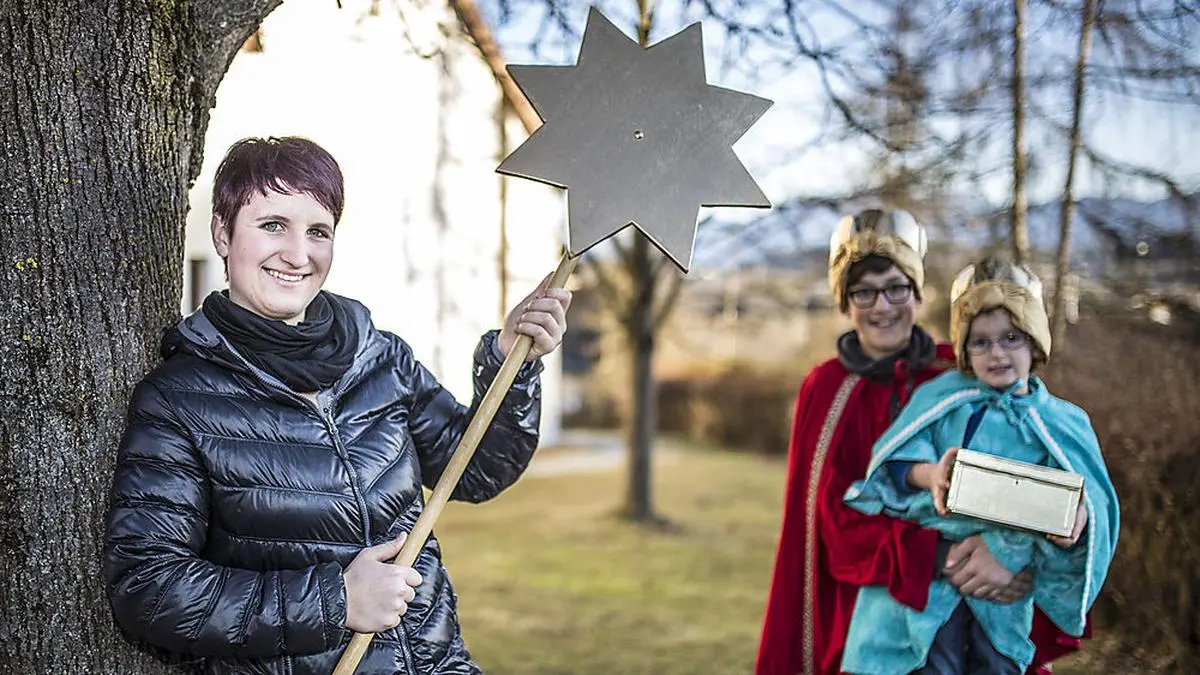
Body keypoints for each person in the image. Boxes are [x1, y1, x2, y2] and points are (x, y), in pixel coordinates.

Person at [102, 136, 571, 674]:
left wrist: (511, 362)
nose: (298, 255)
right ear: (222, 234)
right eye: (272, 225)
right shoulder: (180, 399)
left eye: (317, 232)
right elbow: (150, 588)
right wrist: (336, 600)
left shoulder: (377, 358)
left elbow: (478, 469)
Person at [755, 210, 1081, 675]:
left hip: (984, 602)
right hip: (863, 612)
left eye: (895, 287)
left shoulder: (963, 372)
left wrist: (1009, 556)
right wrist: (941, 557)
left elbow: (1028, 465)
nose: (882, 306)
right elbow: (831, 524)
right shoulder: (827, 389)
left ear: (916, 290)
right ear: (844, 300)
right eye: (863, 291)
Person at [841, 257, 1119, 674]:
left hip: (1005, 589)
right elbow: (897, 459)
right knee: (930, 660)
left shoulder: (1062, 421)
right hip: (935, 583)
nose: (997, 353)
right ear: (964, 350)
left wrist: (1070, 520)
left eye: (1010, 338)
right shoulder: (944, 398)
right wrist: (931, 474)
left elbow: (1090, 507)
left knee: (997, 663)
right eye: (981, 342)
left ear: (1034, 342)